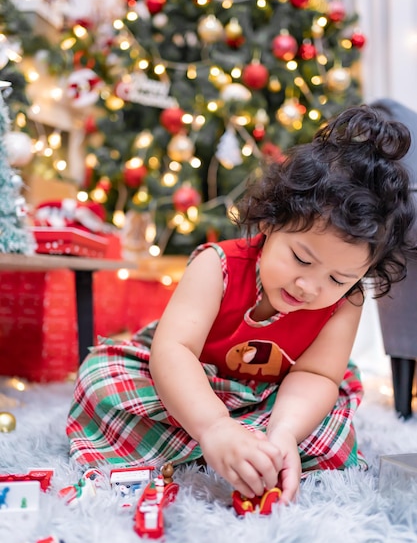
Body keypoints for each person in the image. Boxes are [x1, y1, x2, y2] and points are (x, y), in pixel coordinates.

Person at [67, 105, 415, 504]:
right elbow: (174, 351)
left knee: (332, 429)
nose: (309, 287)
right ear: (270, 223)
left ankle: (255, 448)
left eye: (338, 278)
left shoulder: (347, 299)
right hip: (191, 379)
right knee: (100, 378)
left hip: (275, 397)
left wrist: (284, 433)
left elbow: (318, 376)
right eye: (302, 259)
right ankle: (217, 440)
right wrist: (214, 426)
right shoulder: (216, 265)